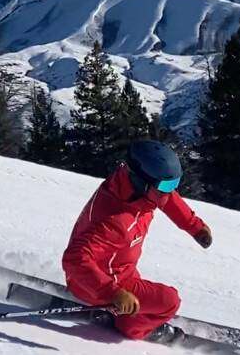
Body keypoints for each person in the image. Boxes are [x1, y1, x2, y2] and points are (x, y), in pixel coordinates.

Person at [61, 140, 213, 343]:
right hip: (98, 286)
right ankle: (132, 327)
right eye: (166, 186)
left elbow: (168, 198)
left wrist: (195, 226)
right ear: (141, 182)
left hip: (120, 271)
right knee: (170, 301)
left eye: (174, 184)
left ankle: (131, 312)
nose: (169, 192)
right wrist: (113, 292)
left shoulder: (134, 188)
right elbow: (74, 259)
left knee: (150, 296)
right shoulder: (113, 221)